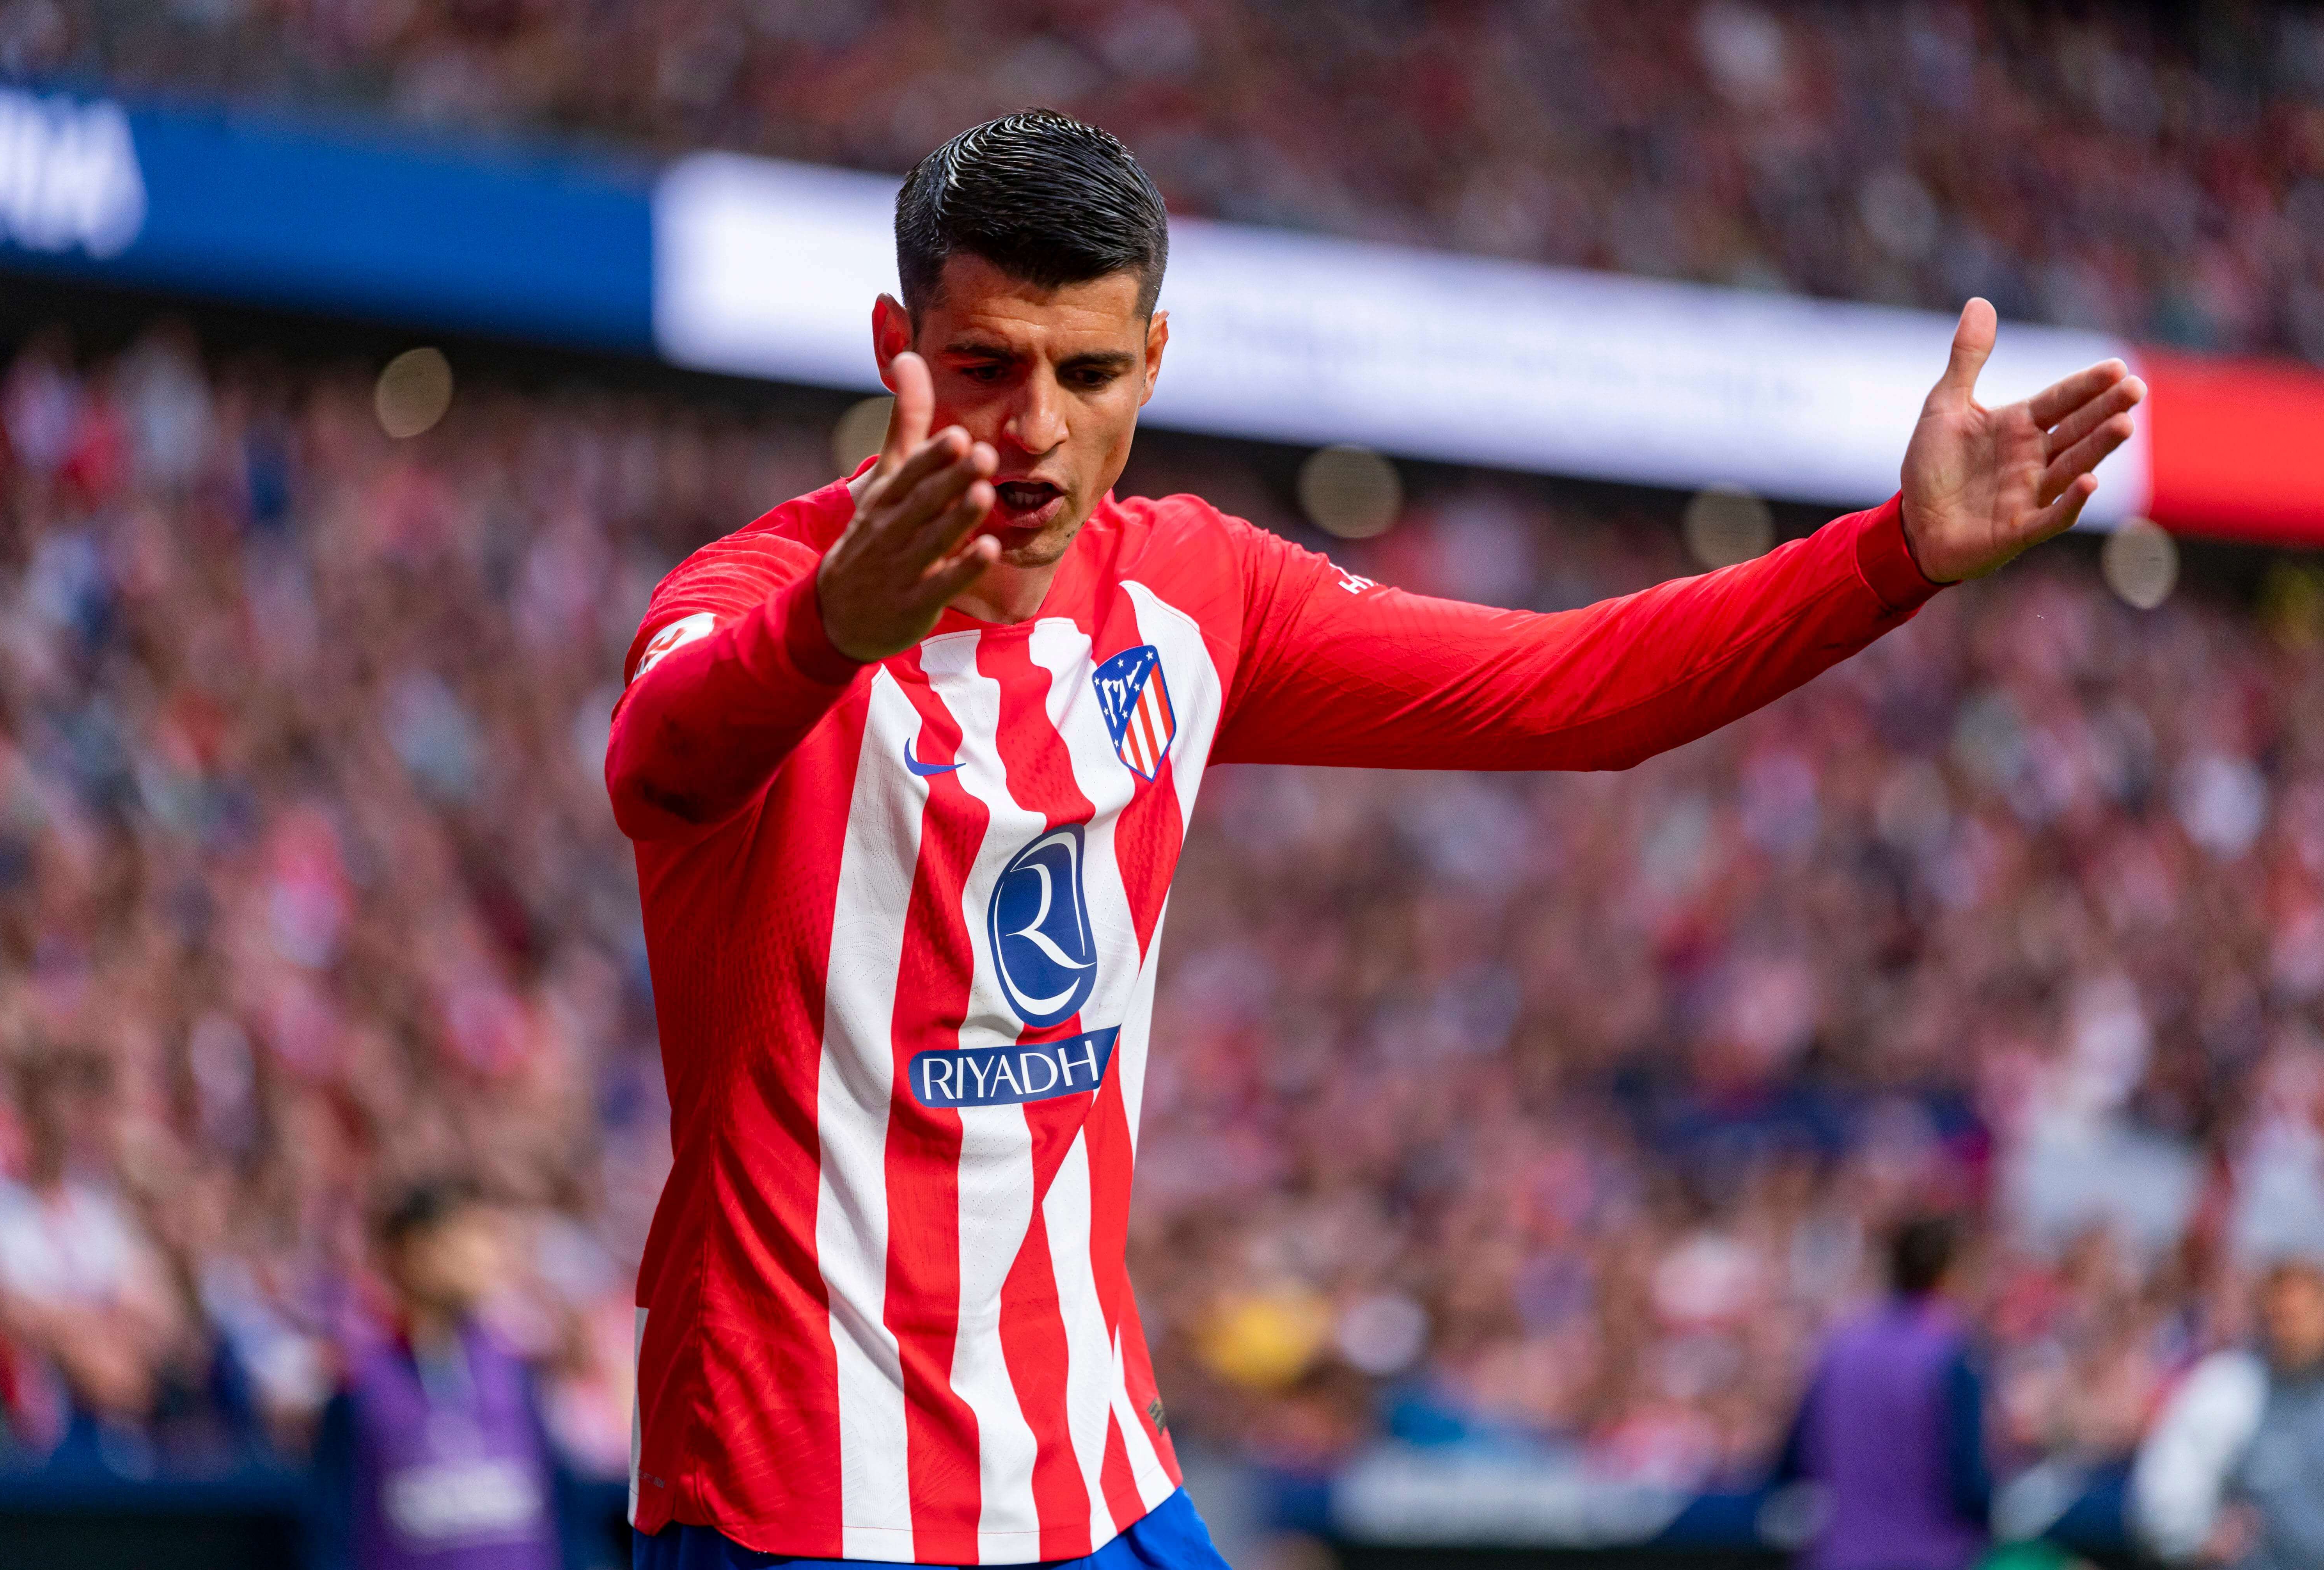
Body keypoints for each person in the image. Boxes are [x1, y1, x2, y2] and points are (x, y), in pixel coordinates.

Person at [603, 109, 2142, 1569]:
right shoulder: (749, 601)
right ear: (898, 351)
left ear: (1152, 359)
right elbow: (663, 756)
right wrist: (824, 634)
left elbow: (1568, 693)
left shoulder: (1192, 592)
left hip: (1091, 1471)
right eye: (987, 366)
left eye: (1086, 372)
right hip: (803, 1489)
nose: (1036, 430)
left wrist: (1892, 556)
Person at [311, 1180, 564, 1570]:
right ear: (415, 1250)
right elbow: (332, 1532)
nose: (489, 1254)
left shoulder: (518, 1374)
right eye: (472, 1234)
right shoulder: (361, 1387)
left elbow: (561, 1512)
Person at [1774, 1216, 1991, 1570]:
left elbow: (1793, 1462)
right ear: (1949, 1274)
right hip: (1930, 1556)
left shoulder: (1839, 1347)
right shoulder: (1952, 1353)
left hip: (1837, 1557)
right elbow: (1966, 1484)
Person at [2133, 1248, 2324, 1569]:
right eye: (2280, 1316)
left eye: (2301, 1315)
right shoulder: (2230, 1387)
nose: (2290, 1329)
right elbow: (2168, 1490)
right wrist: (2197, 1536)